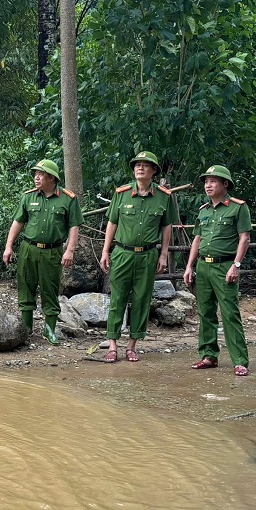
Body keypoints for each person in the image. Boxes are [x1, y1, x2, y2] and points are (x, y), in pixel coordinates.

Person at [99, 150, 178, 363]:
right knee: (118, 299)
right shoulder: (122, 193)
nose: (140, 168)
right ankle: (113, 344)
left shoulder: (163, 196)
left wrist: (163, 255)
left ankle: (132, 345)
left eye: (145, 165)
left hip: (148, 255)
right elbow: (112, 223)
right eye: (137, 165)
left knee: (142, 299)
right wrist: (106, 251)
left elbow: (166, 226)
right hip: (123, 253)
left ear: (153, 171)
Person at [2, 159, 83, 345]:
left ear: (52, 178)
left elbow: (73, 227)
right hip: (28, 249)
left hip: (52, 251)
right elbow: (18, 223)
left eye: (41, 174)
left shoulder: (67, 199)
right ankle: (27, 328)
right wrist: (8, 246)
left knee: (50, 290)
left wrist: (69, 250)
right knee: (26, 286)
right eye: (35, 174)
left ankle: (49, 330)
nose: (36, 177)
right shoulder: (29, 197)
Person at [183, 165, 252, 376]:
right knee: (205, 312)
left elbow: (244, 238)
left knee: (230, 313)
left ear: (225, 184)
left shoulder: (238, 208)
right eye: (206, 181)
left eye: (213, 181)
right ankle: (208, 355)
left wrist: (236, 265)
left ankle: (240, 360)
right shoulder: (203, 210)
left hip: (225, 266)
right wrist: (189, 266)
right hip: (203, 266)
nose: (208, 185)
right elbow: (197, 239)